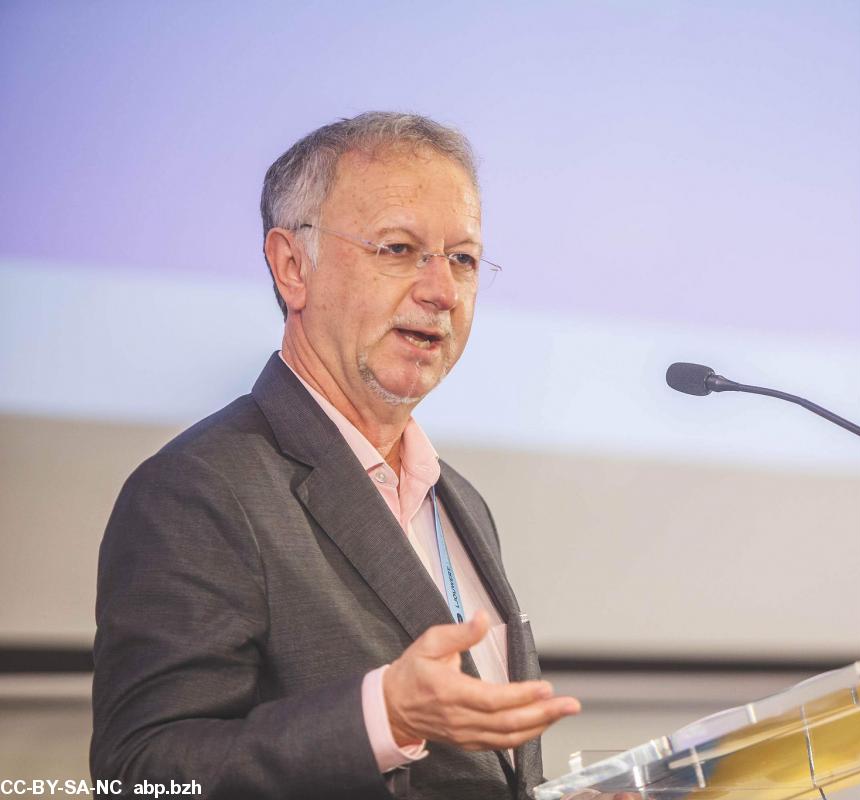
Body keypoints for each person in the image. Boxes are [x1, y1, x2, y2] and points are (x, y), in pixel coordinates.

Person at [91, 112, 580, 799]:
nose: (442, 291)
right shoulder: (199, 490)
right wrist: (382, 716)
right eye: (398, 249)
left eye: (463, 259)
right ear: (293, 267)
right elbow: (138, 775)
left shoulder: (461, 501)